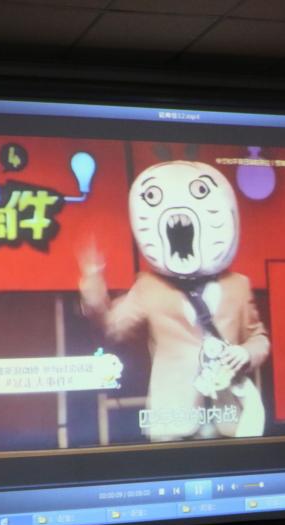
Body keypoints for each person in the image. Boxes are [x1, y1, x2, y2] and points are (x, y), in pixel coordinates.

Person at [79, 160, 270, 441]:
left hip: (231, 421)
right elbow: (112, 328)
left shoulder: (238, 285)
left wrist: (246, 354)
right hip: (173, 419)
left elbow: (258, 338)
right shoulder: (149, 286)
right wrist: (93, 281)